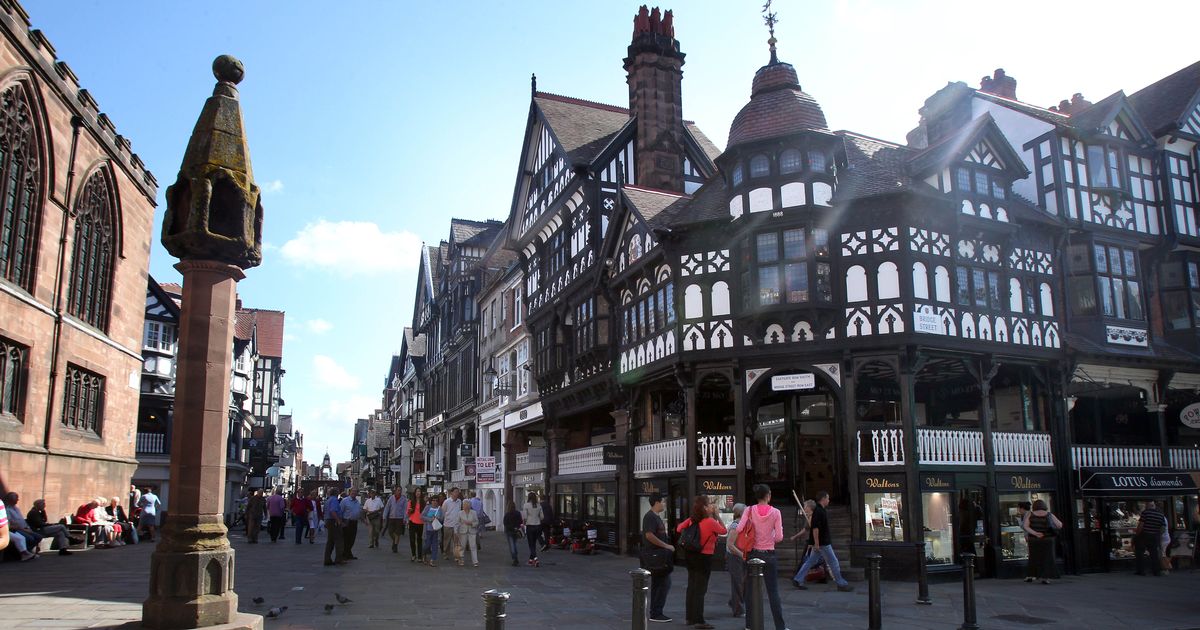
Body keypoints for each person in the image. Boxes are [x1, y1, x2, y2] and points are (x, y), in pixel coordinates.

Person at [737, 485, 786, 630]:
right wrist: (770, 536)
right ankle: (780, 627)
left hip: (753, 553)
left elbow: (739, 529)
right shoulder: (776, 512)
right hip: (769, 554)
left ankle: (749, 625)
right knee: (773, 592)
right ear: (768, 495)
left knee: (750, 592)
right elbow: (779, 537)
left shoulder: (749, 510)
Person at [675, 496, 727, 629]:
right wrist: (717, 515)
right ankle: (699, 620)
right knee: (700, 589)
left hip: (690, 556)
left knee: (692, 586)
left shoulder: (692, 520)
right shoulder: (710, 521)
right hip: (704, 557)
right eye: (709, 505)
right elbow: (724, 531)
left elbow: (679, 528)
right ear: (705, 508)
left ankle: (689, 618)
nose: (711, 506)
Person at [792, 491, 853, 592]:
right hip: (823, 542)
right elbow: (815, 528)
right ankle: (841, 583)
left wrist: (815, 543)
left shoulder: (819, 511)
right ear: (823, 499)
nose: (829, 500)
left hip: (820, 542)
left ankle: (798, 579)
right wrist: (816, 543)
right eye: (827, 498)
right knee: (833, 562)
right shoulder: (819, 511)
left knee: (810, 561)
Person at [642, 492, 674, 623]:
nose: (665, 504)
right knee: (663, 584)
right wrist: (666, 545)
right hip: (655, 556)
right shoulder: (650, 517)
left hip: (660, 556)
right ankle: (656, 613)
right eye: (663, 501)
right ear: (657, 502)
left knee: (660, 584)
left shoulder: (656, 517)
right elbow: (649, 535)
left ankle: (655, 612)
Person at [6, 493, 71, 555]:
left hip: (39, 529)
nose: (44, 506)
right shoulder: (33, 512)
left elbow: (44, 520)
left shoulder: (36, 511)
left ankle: (63, 549)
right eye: (43, 504)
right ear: (38, 505)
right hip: (38, 530)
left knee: (60, 533)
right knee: (61, 526)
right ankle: (70, 538)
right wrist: (51, 525)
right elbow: (40, 524)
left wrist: (43, 511)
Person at [1022, 499, 1061, 583]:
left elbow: (1025, 526)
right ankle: (1045, 578)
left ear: (1034, 506)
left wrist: (1035, 533)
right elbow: (1059, 525)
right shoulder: (1049, 514)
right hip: (1048, 539)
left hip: (1034, 540)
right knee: (1048, 558)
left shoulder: (1030, 514)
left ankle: (1031, 575)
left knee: (1034, 558)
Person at [1134, 500, 1168, 577]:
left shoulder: (1145, 513)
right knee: (1154, 554)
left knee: (1140, 553)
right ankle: (1156, 571)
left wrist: (1137, 535)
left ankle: (1141, 570)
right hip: (1154, 536)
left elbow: (1141, 525)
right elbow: (1163, 528)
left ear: (1147, 505)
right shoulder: (1161, 515)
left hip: (1144, 535)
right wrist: (1157, 534)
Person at [726, 503, 747, 617]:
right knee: (738, 582)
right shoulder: (736, 526)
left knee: (742, 582)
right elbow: (730, 545)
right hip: (734, 557)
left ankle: (734, 602)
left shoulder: (742, 524)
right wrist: (742, 555)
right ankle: (738, 609)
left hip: (739, 556)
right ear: (741, 513)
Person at [323, 488, 346, 566]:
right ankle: (339, 559)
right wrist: (338, 520)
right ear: (336, 493)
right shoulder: (334, 500)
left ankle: (327, 559)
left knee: (330, 541)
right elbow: (333, 511)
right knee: (339, 540)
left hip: (328, 520)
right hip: (333, 521)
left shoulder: (328, 500)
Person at [521, 491, 543, 567]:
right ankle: (530, 560)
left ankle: (536, 559)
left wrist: (524, 524)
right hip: (538, 526)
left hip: (530, 526)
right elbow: (542, 517)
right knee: (533, 543)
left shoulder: (526, 505)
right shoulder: (539, 505)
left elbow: (525, 517)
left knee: (531, 544)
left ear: (529, 497)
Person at [383, 487, 408, 553]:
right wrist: (384, 516)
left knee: (398, 533)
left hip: (399, 518)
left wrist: (405, 518)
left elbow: (405, 509)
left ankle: (395, 545)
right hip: (392, 517)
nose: (399, 492)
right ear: (395, 491)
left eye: (400, 490)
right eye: (398, 490)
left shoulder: (404, 499)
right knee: (390, 532)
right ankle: (394, 541)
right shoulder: (391, 498)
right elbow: (387, 507)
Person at [340, 488, 363, 559]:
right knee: (346, 539)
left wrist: (363, 519)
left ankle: (348, 553)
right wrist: (341, 522)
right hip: (347, 521)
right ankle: (344, 554)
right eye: (353, 491)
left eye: (355, 491)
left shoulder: (357, 502)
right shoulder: (345, 501)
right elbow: (340, 511)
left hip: (354, 522)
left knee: (352, 539)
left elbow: (359, 511)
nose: (354, 493)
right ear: (349, 492)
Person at [441, 487, 463, 559]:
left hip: (457, 524)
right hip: (448, 524)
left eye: (458, 492)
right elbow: (443, 512)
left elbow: (460, 511)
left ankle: (456, 555)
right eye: (455, 492)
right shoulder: (447, 502)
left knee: (456, 541)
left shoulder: (459, 501)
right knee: (447, 541)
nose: (457, 493)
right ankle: (445, 553)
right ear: (451, 493)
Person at [421, 496, 443, 567]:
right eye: (433, 500)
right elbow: (422, 516)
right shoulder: (427, 507)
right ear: (431, 501)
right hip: (428, 529)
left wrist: (438, 518)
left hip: (436, 530)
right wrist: (430, 519)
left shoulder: (440, 508)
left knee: (435, 546)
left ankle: (432, 560)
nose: (435, 502)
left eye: (436, 500)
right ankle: (424, 554)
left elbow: (442, 518)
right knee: (427, 545)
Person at [1016, 501, 1034, 582]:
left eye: (1019, 508)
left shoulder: (1028, 515)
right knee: (1032, 556)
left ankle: (1031, 575)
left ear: (1022, 508)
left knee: (1032, 557)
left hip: (1031, 538)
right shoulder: (1027, 514)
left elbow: (1024, 526)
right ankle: (1033, 575)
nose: (1018, 510)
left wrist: (1019, 520)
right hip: (1031, 538)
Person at [459, 499, 480, 567]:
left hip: (472, 531)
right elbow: (457, 523)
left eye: (466, 505)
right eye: (464, 505)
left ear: (469, 506)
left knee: (473, 546)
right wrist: (456, 532)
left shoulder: (474, 512)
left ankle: (475, 561)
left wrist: (471, 523)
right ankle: (461, 560)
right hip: (463, 531)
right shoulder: (460, 513)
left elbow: (477, 522)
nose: (464, 506)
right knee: (462, 546)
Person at [503, 500, 523, 567]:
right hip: (516, 531)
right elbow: (520, 521)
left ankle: (515, 558)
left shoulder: (507, 514)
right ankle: (515, 557)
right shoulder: (518, 513)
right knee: (514, 544)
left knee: (512, 545)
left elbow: (505, 523)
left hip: (509, 531)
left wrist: (511, 527)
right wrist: (516, 527)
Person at [408, 488, 426, 562]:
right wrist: (410, 511)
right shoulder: (411, 501)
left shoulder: (424, 502)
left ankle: (419, 556)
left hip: (421, 522)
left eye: (419, 491)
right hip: (412, 521)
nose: (418, 493)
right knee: (412, 539)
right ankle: (413, 555)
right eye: (417, 491)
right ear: (415, 493)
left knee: (419, 540)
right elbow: (408, 512)